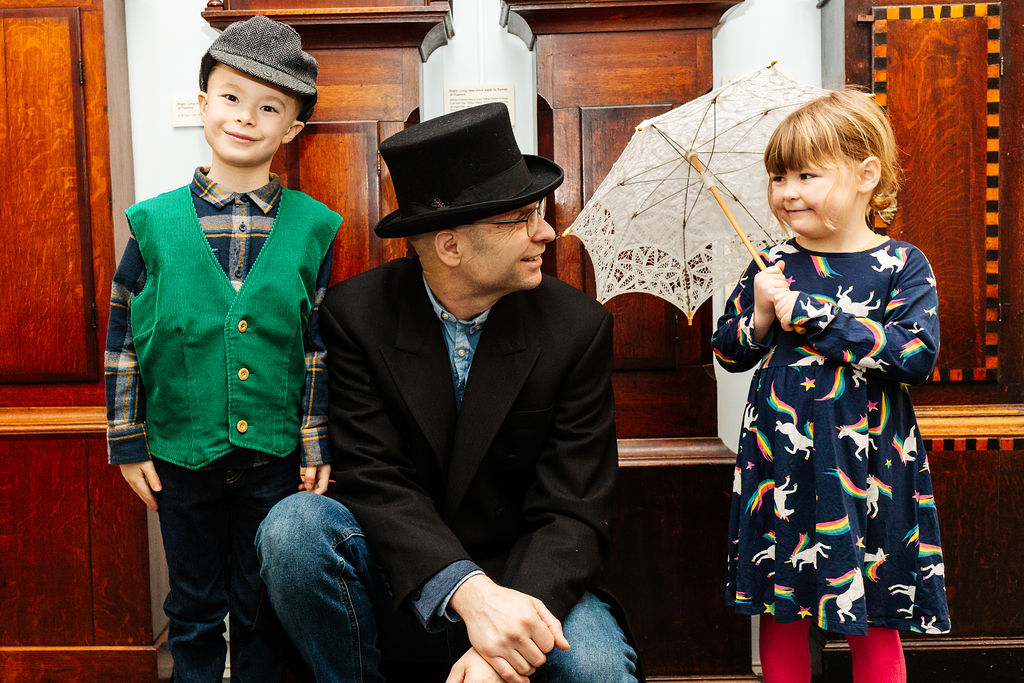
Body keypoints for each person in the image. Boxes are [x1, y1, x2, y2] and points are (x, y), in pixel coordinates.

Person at [256, 102, 639, 683]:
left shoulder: (577, 329)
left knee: (599, 671)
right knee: (293, 528)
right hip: (401, 575)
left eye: (538, 213)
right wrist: (467, 592)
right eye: (519, 219)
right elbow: (371, 478)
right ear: (450, 247)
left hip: (528, 577)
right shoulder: (357, 316)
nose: (546, 232)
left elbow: (574, 510)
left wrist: (498, 636)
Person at [104, 15, 340, 681]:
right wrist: (127, 440)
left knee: (262, 602)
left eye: (271, 107)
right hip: (179, 455)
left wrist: (315, 441)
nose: (247, 117)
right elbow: (123, 336)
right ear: (204, 103)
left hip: (273, 457)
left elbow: (317, 346)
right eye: (232, 98)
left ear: (292, 128)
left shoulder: (314, 229)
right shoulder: (152, 224)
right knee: (195, 604)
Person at [712, 89, 950, 682]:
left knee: (874, 605)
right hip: (782, 466)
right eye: (777, 177)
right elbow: (727, 351)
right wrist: (761, 316)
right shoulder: (769, 264)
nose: (787, 192)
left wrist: (815, 315)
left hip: (871, 466)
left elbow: (914, 355)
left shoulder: (902, 264)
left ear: (867, 175)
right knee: (783, 600)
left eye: (807, 175)